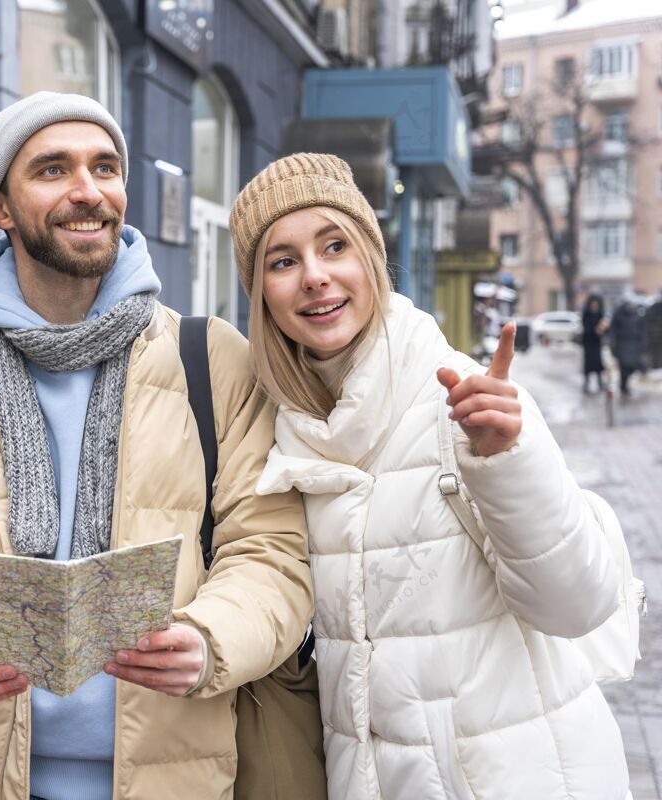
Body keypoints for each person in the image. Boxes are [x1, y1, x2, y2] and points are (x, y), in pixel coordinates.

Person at [0, 92, 317, 799]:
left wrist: (209, 640)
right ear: (2, 209)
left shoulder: (211, 360)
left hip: (176, 777)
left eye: (105, 168)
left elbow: (271, 553)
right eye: (53, 170)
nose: (88, 191)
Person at [231, 153, 630, 799]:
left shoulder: (466, 401)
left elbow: (576, 605)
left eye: (336, 246)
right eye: (283, 261)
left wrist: (507, 461)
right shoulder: (282, 435)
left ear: (372, 259)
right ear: (261, 294)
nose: (315, 276)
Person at [610, 296, 645, 397]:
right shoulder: (618, 315)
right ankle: (623, 386)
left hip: (633, 344)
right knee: (623, 366)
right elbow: (613, 329)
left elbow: (641, 330)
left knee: (632, 366)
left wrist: (642, 342)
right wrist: (612, 341)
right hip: (622, 344)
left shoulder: (637, 315)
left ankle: (625, 384)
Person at [581, 294, 607, 394]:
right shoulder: (586, 314)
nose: (594, 306)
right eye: (593, 304)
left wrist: (603, 330)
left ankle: (600, 383)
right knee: (588, 364)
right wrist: (594, 330)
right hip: (588, 343)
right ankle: (586, 383)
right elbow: (585, 328)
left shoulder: (600, 314)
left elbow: (604, 329)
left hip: (597, 343)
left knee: (598, 364)